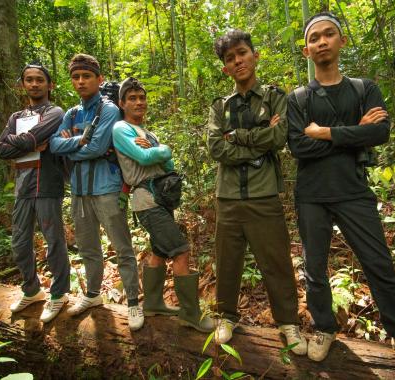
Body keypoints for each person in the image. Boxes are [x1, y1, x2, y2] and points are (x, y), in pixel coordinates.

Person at [286, 12, 395, 376]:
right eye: (315, 38)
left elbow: (380, 133)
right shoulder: (298, 98)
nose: (322, 42)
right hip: (312, 193)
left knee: (378, 263)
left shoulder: (364, 89)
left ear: (342, 42)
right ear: (306, 50)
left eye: (330, 35)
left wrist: (326, 133)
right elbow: (298, 146)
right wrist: (352, 132)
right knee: (314, 268)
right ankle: (325, 328)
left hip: (353, 190)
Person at [207, 30, 306, 355]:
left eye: (242, 53)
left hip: (264, 194)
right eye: (230, 58)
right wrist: (256, 141)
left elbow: (279, 138)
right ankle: (226, 316)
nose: (237, 61)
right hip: (229, 197)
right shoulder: (220, 106)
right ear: (225, 68)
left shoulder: (275, 97)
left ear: (254, 55)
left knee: (276, 260)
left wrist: (237, 137)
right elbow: (216, 148)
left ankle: (288, 322)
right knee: (227, 260)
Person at [112, 77, 214, 332]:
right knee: (180, 250)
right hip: (146, 200)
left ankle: (154, 303)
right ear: (122, 103)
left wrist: (158, 149)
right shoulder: (121, 129)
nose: (139, 102)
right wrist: (162, 149)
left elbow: (167, 165)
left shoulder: (148, 133)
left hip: (161, 197)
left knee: (159, 250)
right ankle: (191, 313)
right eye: (132, 98)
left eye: (141, 97)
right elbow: (147, 158)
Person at [49, 54, 143, 330]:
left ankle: (134, 302)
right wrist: (82, 140)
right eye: (76, 77)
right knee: (88, 248)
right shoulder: (72, 114)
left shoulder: (109, 110)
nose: (80, 81)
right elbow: (55, 145)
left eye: (86, 76)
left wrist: (75, 145)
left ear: (98, 79)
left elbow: (98, 148)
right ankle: (92, 294)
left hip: (107, 188)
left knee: (122, 247)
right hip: (79, 191)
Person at [0, 63, 70, 323]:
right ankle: (32, 290)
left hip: (48, 184)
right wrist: (29, 142)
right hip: (23, 187)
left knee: (54, 242)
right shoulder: (16, 117)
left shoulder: (56, 112)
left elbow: (16, 144)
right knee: (19, 243)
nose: (34, 84)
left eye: (40, 79)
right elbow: (1, 149)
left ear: (49, 85)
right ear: (23, 84)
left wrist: (21, 142)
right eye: (29, 80)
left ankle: (59, 294)